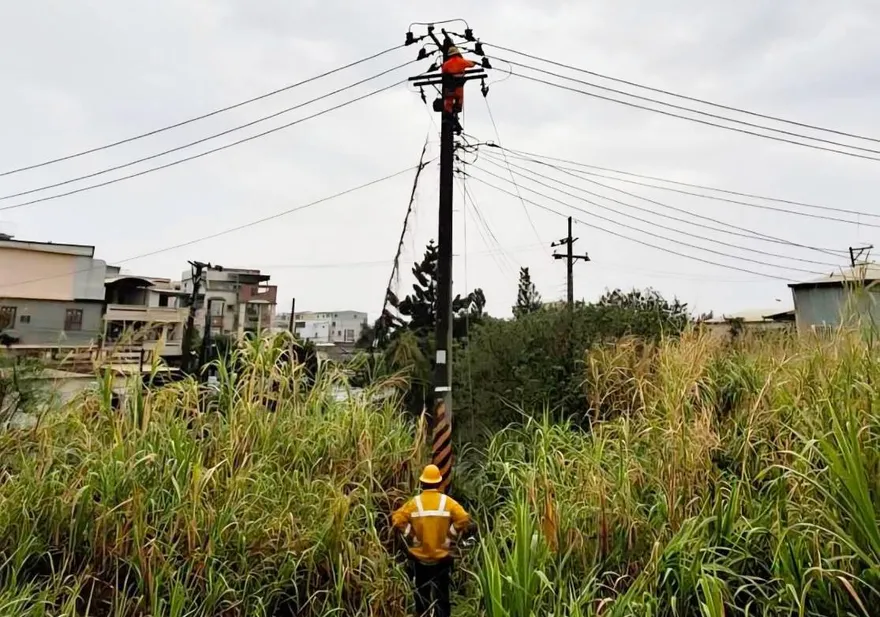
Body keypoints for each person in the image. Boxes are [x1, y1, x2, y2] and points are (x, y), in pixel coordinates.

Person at [392, 464, 471, 617]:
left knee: (421, 596)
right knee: (442, 597)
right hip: (441, 558)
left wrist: (412, 536)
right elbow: (464, 518)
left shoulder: (414, 503)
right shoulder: (447, 502)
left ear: (422, 483)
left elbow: (397, 519)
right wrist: (449, 536)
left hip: (420, 558)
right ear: (438, 483)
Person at [440, 46, 476, 114]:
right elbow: (471, 64)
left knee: (449, 99)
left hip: (449, 85)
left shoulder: (446, 64)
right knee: (459, 97)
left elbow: (443, 72)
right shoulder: (461, 61)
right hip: (459, 84)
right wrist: (474, 63)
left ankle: (448, 111)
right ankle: (458, 107)